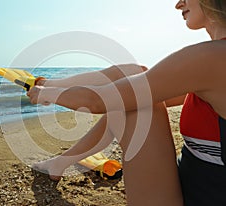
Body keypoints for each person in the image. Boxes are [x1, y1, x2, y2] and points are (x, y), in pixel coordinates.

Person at [28, 0, 226, 205]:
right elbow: (128, 99)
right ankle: (60, 162)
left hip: (204, 195)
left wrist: (46, 94)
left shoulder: (212, 57)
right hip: (193, 182)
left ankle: (49, 93)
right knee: (133, 93)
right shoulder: (213, 60)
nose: (178, 4)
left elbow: (97, 101)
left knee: (134, 97)